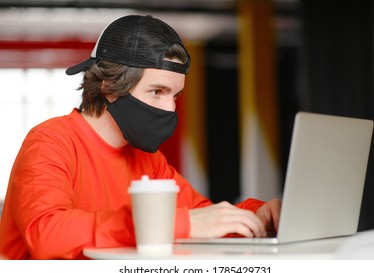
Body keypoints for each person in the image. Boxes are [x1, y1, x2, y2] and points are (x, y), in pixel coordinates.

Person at [0, 14, 281, 260]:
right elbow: (46, 233)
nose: (170, 108)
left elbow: (202, 216)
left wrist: (257, 215)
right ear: (109, 85)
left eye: (175, 95)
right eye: (157, 91)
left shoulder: (148, 160)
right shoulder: (50, 141)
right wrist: (167, 224)